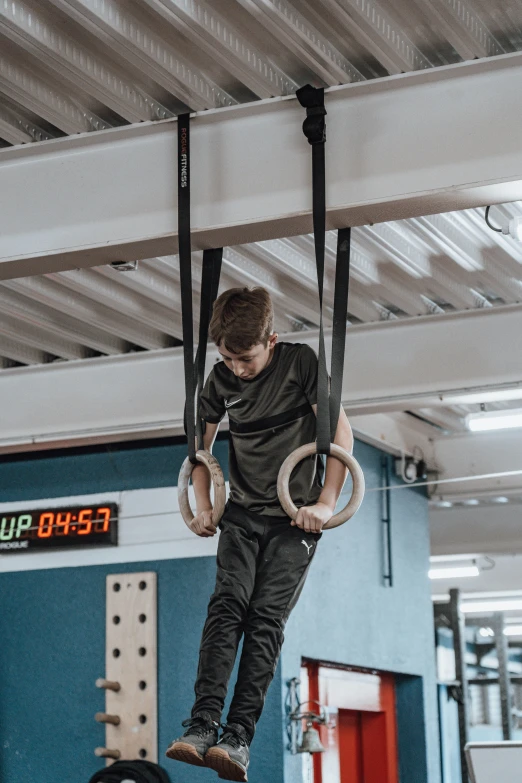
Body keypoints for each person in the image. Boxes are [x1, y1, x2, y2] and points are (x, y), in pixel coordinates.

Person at [166, 286, 353, 781]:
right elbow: (199, 451)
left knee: (264, 619)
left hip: (295, 519)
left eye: (244, 359)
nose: (237, 368)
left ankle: (238, 736)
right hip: (244, 512)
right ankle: (202, 722)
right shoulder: (221, 378)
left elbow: (340, 436)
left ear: (271, 340)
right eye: (227, 359)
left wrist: (326, 503)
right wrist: (205, 505)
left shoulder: (300, 364)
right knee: (227, 605)